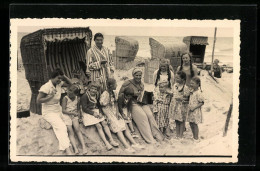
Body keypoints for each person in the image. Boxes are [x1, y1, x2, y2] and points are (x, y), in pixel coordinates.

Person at [119, 67, 164, 144]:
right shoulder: (127, 83)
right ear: (133, 75)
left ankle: (157, 135)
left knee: (150, 115)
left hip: (141, 103)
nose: (138, 77)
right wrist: (132, 94)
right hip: (131, 103)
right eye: (136, 75)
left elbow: (142, 95)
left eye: (140, 75)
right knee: (143, 117)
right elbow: (120, 94)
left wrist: (149, 97)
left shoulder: (141, 84)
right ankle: (150, 139)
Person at [100, 78, 144, 153]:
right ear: (110, 86)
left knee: (123, 124)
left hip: (114, 111)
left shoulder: (114, 93)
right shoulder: (105, 94)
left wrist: (117, 112)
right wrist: (106, 116)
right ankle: (126, 146)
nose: (117, 85)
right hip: (108, 112)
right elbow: (101, 105)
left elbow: (116, 103)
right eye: (115, 84)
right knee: (118, 127)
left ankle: (134, 143)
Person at [37, 68, 73, 155]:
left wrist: (63, 75)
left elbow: (70, 83)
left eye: (61, 78)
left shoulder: (59, 84)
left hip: (58, 109)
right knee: (62, 127)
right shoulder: (46, 87)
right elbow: (38, 100)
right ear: (52, 77)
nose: (60, 80)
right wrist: (50, 96)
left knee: (65, 125)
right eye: (58, 78)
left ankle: (63, 146)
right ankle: (68, 150)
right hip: (49, 111)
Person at [80, 81, 119, 150]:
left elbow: (99, 105)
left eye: (95, 89)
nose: (94, 90)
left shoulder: (96, 95)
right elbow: (84, 108)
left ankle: (111, 140)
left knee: (104, 123)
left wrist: (100, 112)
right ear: (89, 88)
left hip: (96, 111)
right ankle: (106, 142)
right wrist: (93, 113)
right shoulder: (85, 96)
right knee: (99, 126)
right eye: (92, 88)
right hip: (88, 112)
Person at [61, 85, 88, 154]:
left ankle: (84, 147)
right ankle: (75, 148)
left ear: (75, 94)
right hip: (67, 115)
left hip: (74, 115)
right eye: (68, 93)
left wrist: (79, 117)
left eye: (71, 94)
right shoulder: (65, 98)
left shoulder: (77, 99)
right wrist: (72, 113)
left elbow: (78, 109)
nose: (69, 95)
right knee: (70, 131)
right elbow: (63, 110)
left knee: (77, 129)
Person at [169, 71, 190, 139]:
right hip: (175, 105)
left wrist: (181, 99)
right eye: (175, 78)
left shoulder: (185, 87)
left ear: (183, 79)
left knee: (181, 120)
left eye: (178, 78)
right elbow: (173, 93)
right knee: (176, 120)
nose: (176, 79)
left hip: (182, 106)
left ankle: (181, 135)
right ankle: (177, 135)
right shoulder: (175, 85)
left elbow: (187, 98)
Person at [187, 77, 204, 142]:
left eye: (193, 83)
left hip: (195, 111)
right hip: (191, 110)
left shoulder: (198, 93)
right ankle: (194, 136)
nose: (191, 84)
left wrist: (194, 108)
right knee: (190, 123)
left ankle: (196, 138)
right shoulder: (192, 91)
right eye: (190, 83)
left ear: (198, 84)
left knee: (195, 124)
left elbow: (202, 103)